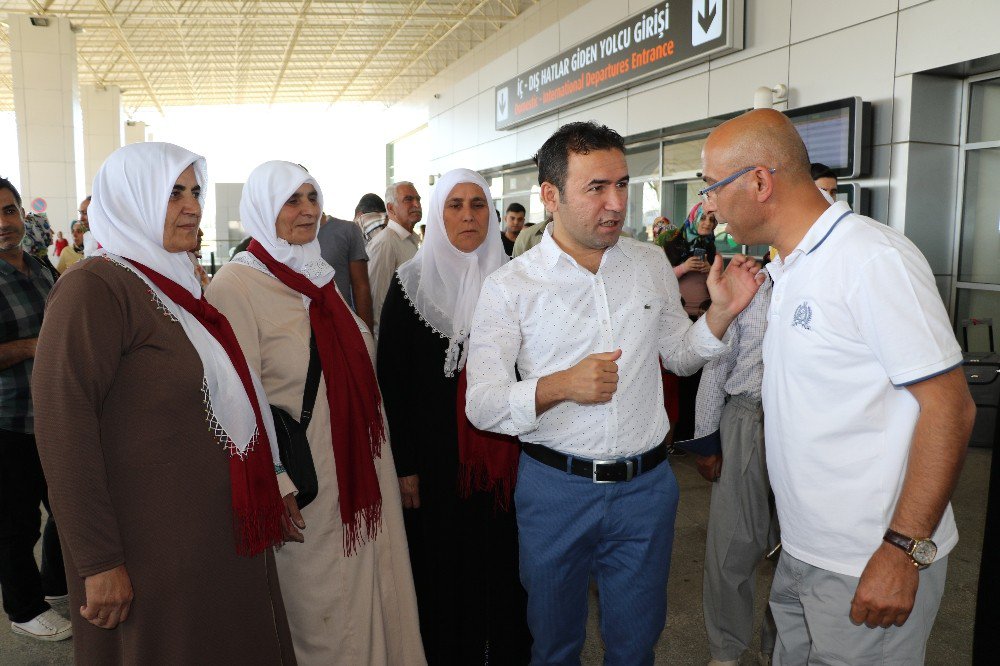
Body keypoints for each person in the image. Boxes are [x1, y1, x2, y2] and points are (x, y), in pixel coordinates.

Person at [465, 121, 763, 664]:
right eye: (596, 187)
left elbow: (677, 353)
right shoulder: (510, 286)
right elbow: (481, 403)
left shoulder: (648, 264)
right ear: (550, 195)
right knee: (555, 646)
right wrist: (559, 387)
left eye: (622, 185)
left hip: (646, 491)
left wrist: (719, 315)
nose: (615, 203)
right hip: (556, 491)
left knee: (636, 644)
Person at [700, 108, 976, 664]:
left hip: (870, 559)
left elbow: (951, 408)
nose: (706, 205)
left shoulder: (871, 260)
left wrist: (902, 551)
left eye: (711, 187)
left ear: (759, 182)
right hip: (804, 553)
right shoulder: (793, 265)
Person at [32, 143, 298, 664]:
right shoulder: (93, 287)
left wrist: (273, 480)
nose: (194, 207)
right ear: (132, 199)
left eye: (195, 191)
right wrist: (98, 561)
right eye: (173, 192)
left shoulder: (176, 285)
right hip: (150, 550)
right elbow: (65, 431)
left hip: (212, 542)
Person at [207, 161, 424, 665]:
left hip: (362, 469)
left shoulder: (317, 275)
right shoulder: (236, 286)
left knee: (376, 590)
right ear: (263, 208)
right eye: (291, 200)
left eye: (312, 197)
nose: (307, 210)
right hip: (308, 486)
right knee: (323, 615)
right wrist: (275, 483)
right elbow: (235, 398)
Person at [377, 168, 530, 664]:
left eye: (478, 204)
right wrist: (405, 466)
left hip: (506, 456)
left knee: (506, 565)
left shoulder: (517, 282)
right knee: (444, 568)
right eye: (455, 205)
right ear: (438, 215)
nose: (468, 215)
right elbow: (392, 384)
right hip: (435, 462)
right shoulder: (409, 285)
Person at [692, 278, 777, 666]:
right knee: (731, 543)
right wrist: (707, 439)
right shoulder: (754, 285)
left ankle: (780, 648)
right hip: (747, 416)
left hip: (810, 425)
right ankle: (726, 650)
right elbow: (718, 363)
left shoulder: (830, 278)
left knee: (798, 552)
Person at [0, 177, 70, 642]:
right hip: (8, 420)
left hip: (56, 413)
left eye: (8, 210)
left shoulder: (41, 266)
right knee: (15, 522)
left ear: (23, 214)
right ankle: (23, 609)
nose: (3, 223)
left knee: (68, 506)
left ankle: (57, 586)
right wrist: (34, 345)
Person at [367, 181, 422, 337]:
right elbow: (377, 303)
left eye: (418, 199)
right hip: (392, 338)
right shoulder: (385, 243)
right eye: (408, 199)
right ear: (390, 208)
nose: (416, 204)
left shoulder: (410, 240)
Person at [317, 212, 374, 331]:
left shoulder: (347, 230)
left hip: (340, 328)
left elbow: (361, 287)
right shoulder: (281, 235)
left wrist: (366, 337)